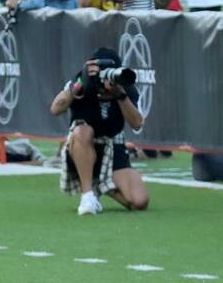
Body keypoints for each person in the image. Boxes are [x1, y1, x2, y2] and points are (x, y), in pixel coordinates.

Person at [49, 47, 149, 215]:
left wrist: (120, 95)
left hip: (112, 144)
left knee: (139, 201)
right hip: (83, 143)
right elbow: (55, 109)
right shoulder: (82, 81)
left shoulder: (125, 88)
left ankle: (103, 186)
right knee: (83, 131)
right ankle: (87, 195)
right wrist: (77, 86)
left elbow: (137, 123)